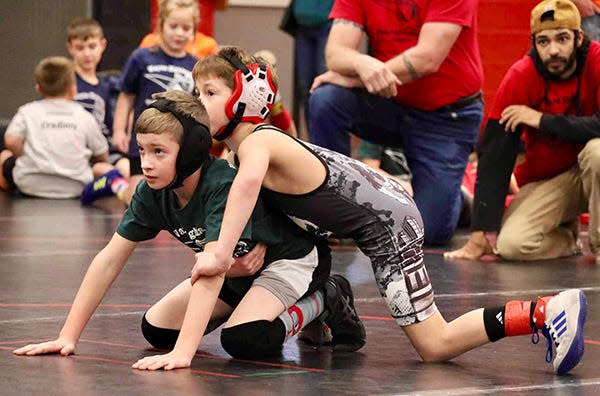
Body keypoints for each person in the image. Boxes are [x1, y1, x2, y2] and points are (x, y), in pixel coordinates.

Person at [191, 45, 588, 375]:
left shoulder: (257, 143)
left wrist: (220, 255)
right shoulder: (247, 149)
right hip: (381, 209)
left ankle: (545, 311)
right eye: (196, 92)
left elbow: (244, 188)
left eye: (209, 92)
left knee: (435, 343)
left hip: (388, 225)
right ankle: (323, 299)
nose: (198, 102)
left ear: (246, 97)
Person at [12, 90, 366, 370]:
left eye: (159, 152)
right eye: (141, 150)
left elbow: (211, 270)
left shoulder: (220, 187)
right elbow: (108, 260)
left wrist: (185, 353)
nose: (145, 164)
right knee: (157, 330)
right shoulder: (153, 193)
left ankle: (326, 298)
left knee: (246, 339)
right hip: (238, 269)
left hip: (288, 260)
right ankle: (247, 305)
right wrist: (68, 336)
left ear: (191, 152)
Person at [307, 0, 484, 245]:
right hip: (389, 103)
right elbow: (336, 52)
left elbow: (428, 58)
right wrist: (362, 63)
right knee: (326, 98)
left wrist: (357, 79)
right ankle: (331, 210)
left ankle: (458, 198)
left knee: (426, 233)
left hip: (444, 117)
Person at [445, 0, 600, 264]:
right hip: (555, 179)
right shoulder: (521, 75)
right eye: (543, 41)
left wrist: (541, 120)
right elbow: (495, 151)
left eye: (562, 39)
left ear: (579, 37)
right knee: (513, 245)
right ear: (533, 43)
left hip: (593, 167)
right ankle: (567, 239)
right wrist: (480, 233)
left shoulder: (596, 60)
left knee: (597, 152)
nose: (553, 50)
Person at [112, 0, 199, 205]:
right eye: (173, 26)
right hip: (143, 141)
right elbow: (126, 96)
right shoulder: (142, 57)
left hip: (177, 142)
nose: (179, 33)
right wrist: (118, 130)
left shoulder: (195, 65)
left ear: (194, 31)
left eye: (186, 28)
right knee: (136, 201)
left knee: (177, 197)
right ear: (161, 25)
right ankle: (115, 184)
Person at [0, 56, 109, 199]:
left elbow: (11, 141)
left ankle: (8, 195)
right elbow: (102, 154)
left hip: (30, 185)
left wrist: (24, 155)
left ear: (38, 88)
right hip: (75, 185)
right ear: (73, 88)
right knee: (105, 169)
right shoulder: (84, 116)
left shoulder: (27, 111)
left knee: (4, 156)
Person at [65, 17, 130, 204]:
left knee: (125, 167)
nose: (86, 53)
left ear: (102, 45)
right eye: (80, 48)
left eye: (92, 46)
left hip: (102, 150)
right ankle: (102, 185)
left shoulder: (109, 85)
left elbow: (114, 121)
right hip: (75, 149)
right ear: (70, 47)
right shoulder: (66, 82)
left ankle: (101, 184)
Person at [280, 0, 334, 129]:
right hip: (302, 26)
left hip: (327, 25)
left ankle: (324, 139)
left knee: (323, 87)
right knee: (305, 88)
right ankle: (313, 139)